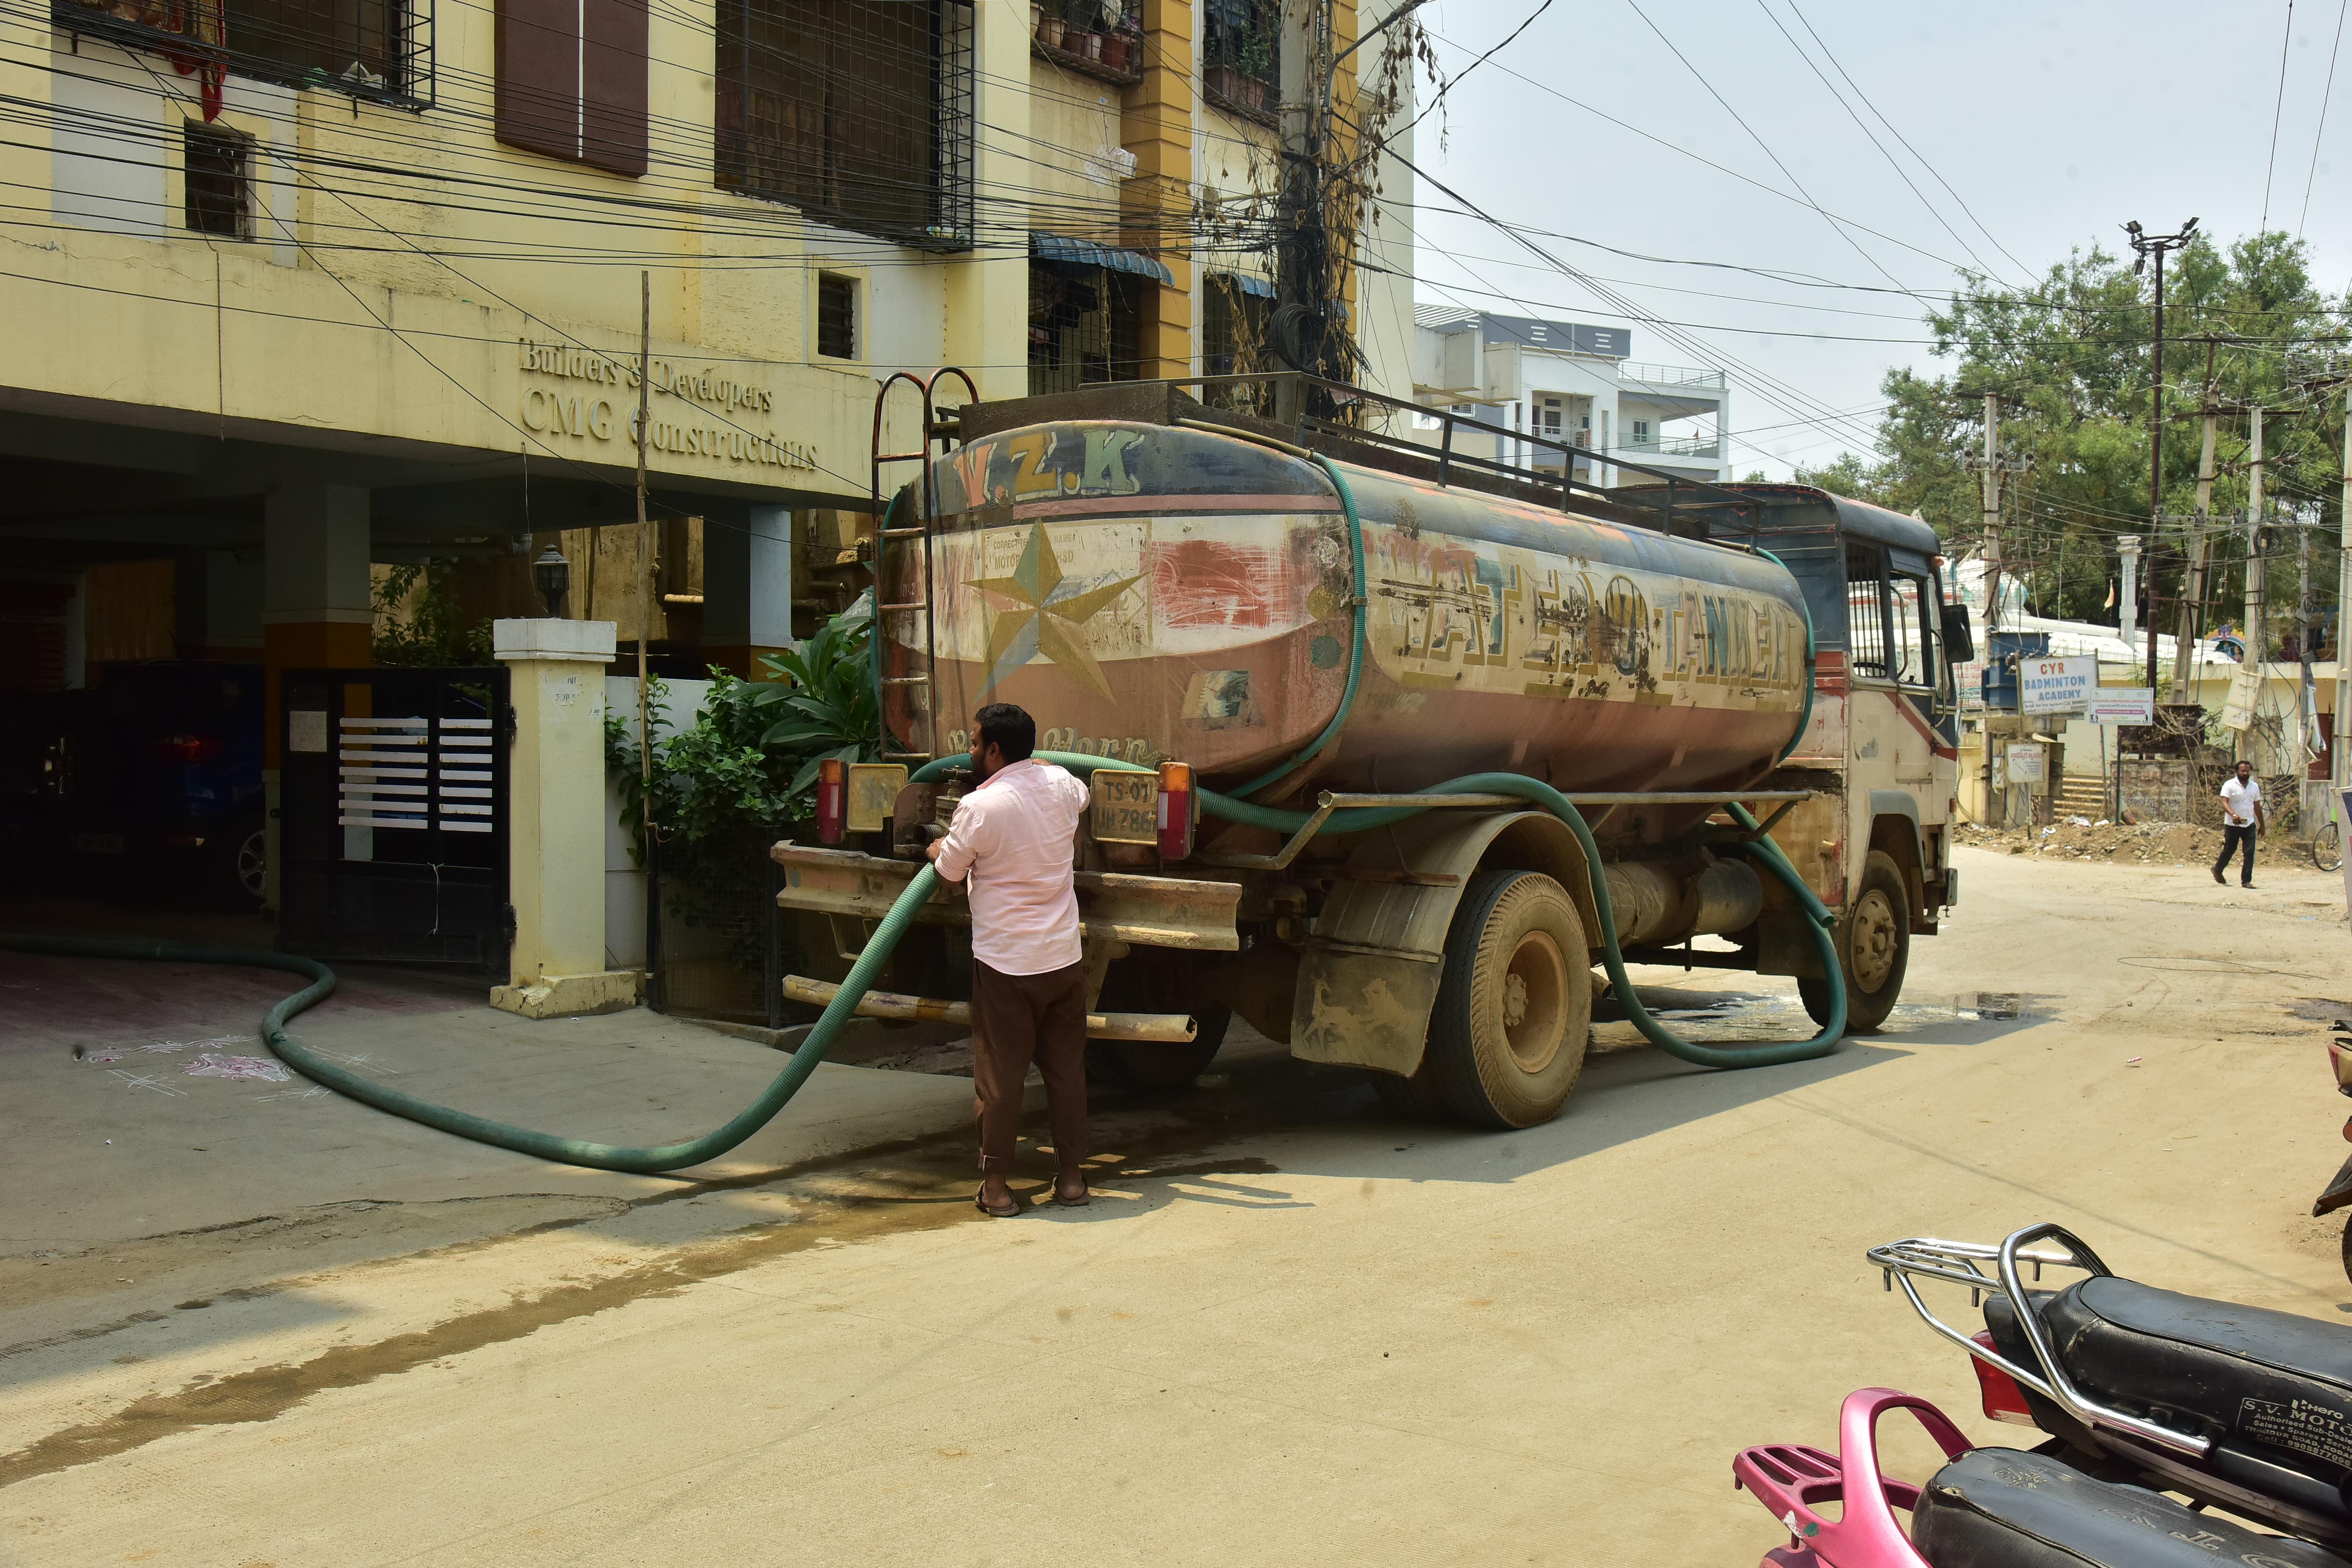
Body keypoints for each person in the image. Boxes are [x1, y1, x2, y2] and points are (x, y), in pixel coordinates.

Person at [927, 703, 1094, 1217]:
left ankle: (997, 1187)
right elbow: (1081, 795)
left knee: (1000, 1077)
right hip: (1063, 959)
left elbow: (951, 872)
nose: (971, 750)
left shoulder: (982, 806)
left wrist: (935, 848)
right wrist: (1041, 767)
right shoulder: (1064, 786)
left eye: (975, 742)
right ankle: (1071, 1179)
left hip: (1005, 965)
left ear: (995, 749)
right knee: (1067, 1070)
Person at [2211, 760, 2264, 888]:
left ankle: (2246, 881)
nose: (2246, 773)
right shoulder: (2229, 785)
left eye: (2248, 771)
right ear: (2237, 772)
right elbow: (2225, 802)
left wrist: (2262, 824)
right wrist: (2233, 815)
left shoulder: (2254, 787)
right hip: (2233, 824)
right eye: (2243, 771)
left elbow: (2257, 806)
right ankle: (2218, 870)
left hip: (2249, 824)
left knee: (2249, 852)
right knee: (2230, 849)